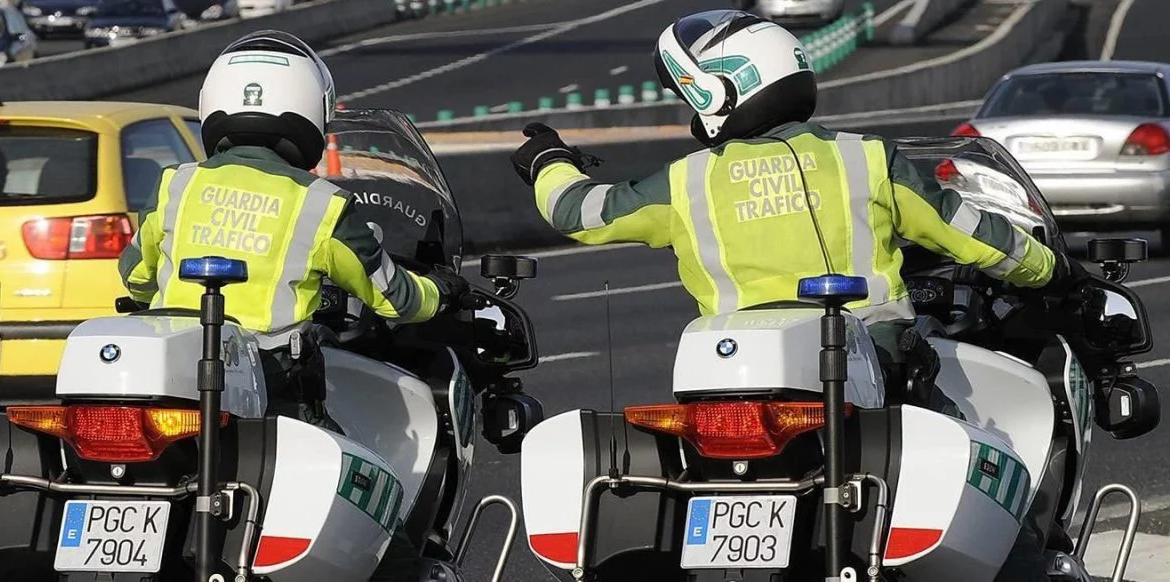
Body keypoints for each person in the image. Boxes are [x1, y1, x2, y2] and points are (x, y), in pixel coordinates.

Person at [510, 11, 1089, 581]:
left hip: (729, 389)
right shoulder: (866, 160)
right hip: (876, 372)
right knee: (991, 481)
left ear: (720, 91)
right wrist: (1057, 271)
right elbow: (977, 235)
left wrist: (548, 162)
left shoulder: (688, 182)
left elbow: (579, 212)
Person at [119, 30, 469, 429]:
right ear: (313, 108)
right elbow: (395, 299)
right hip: (271, 382)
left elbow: (135, 277)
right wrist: (443, 291)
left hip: (172, 377)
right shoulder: (322, 203)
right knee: (351, 462)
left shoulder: (175, 184)